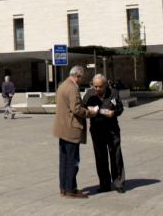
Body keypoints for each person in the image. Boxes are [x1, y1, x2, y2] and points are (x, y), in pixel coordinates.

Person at [52, 65, 94, 199]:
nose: (81, 80)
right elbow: (76, 109)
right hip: (71, 129)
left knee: (64, 160)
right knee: (72, 160)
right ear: (78, 75)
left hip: (62, 128)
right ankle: (71, 189)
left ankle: (63, 188)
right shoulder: (73, 88)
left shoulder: (62, 85)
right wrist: (90, 112)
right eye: (81, 77)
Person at [84, 74, 125, 194]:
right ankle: (104, 184)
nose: (97, 89)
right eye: (95, 86)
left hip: (112, 129)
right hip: (97, 129)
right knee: (100, 157)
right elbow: (83, 108)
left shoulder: (114, 93)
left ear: (106, 85)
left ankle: (118, 183)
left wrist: (114, 113)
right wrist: (89, 112)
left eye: (100, 86)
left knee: (116, 155)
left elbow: (120, 108)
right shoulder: (89, 95)